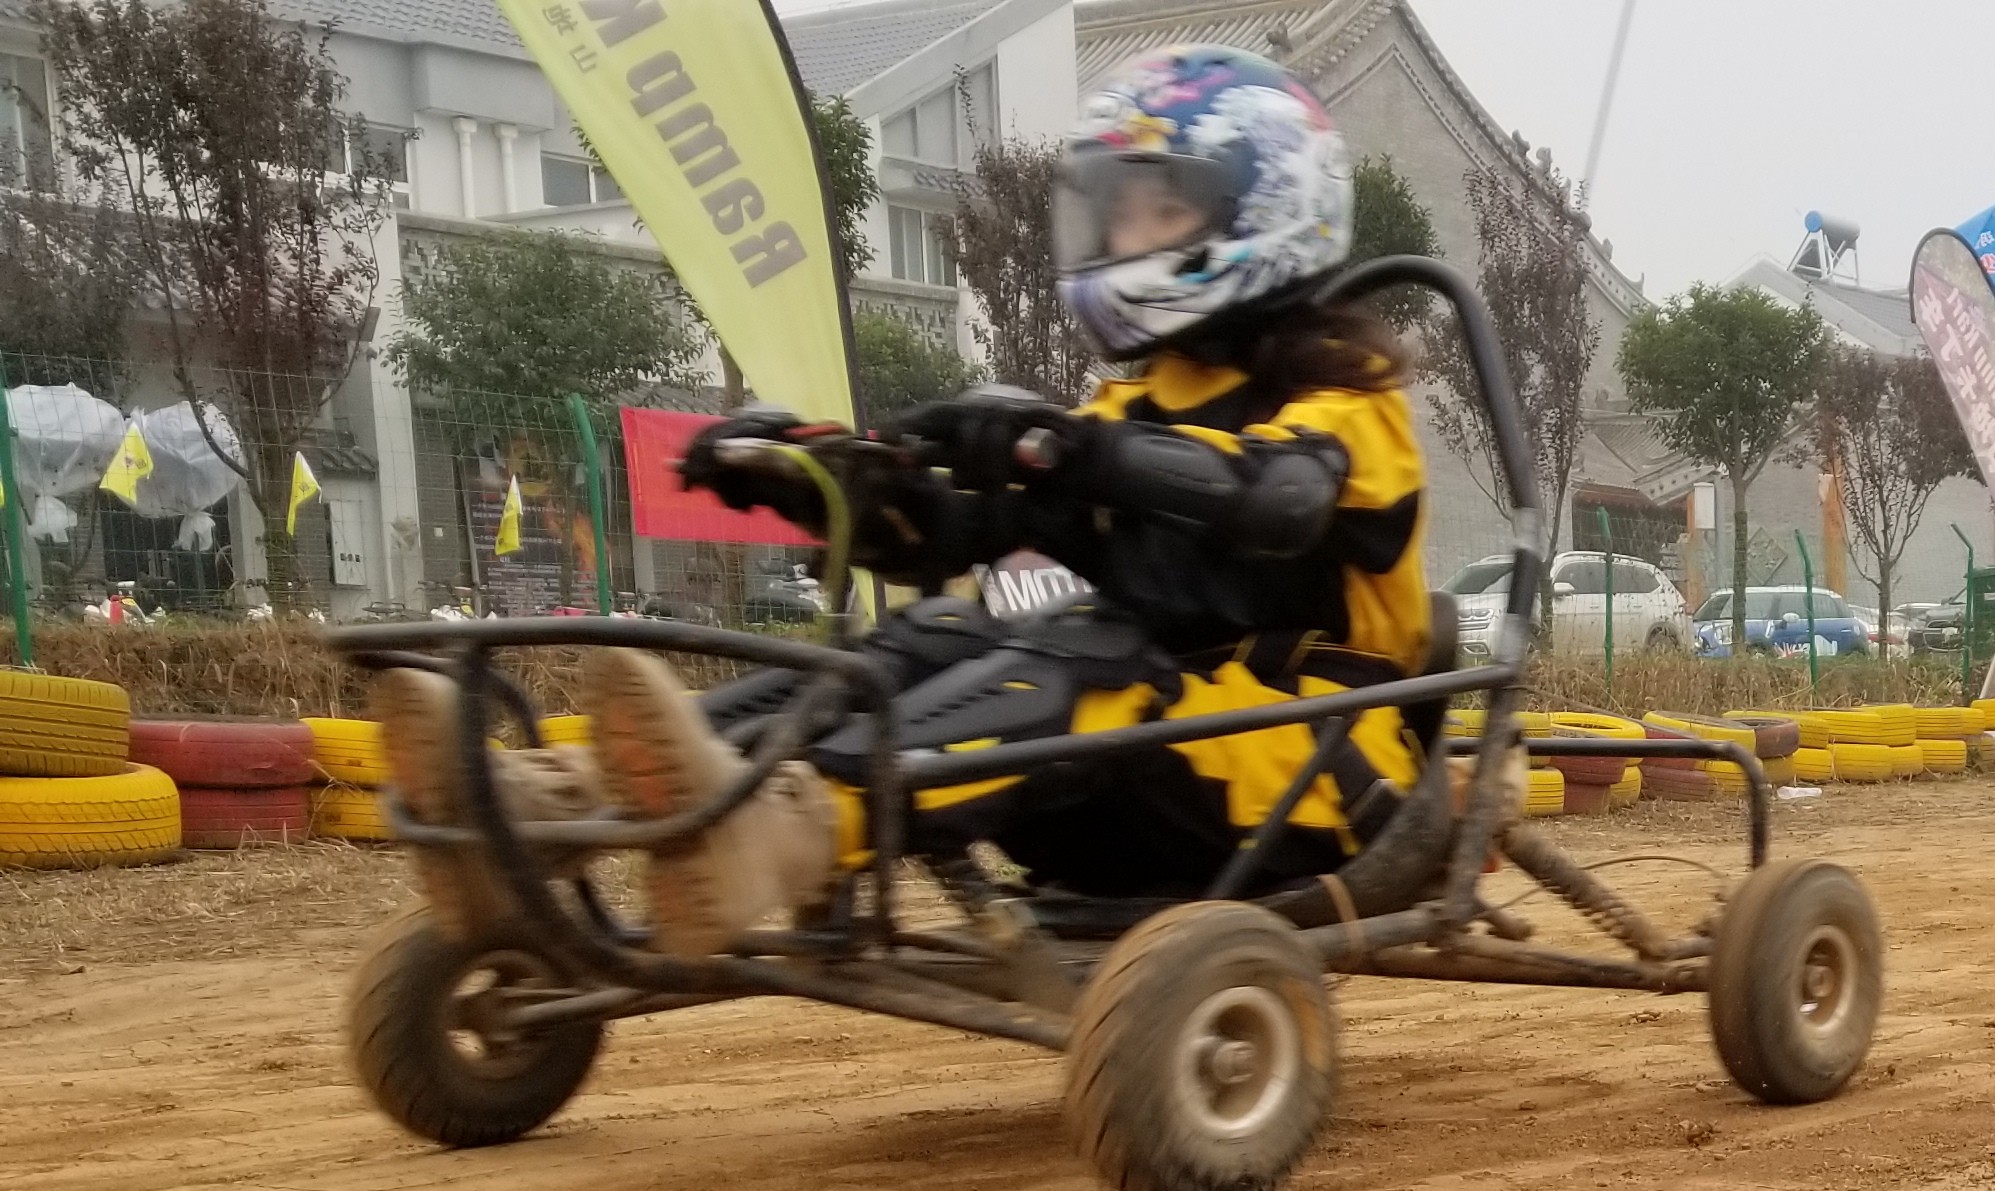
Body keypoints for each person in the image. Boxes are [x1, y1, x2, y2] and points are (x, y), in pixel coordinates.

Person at [372, 45, 1430, 957]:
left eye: (1165, 207)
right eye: (1119, 214)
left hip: (1315, 764)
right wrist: (826, 487)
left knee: (1080, 656)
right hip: (1146, 766)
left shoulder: (1344, 399)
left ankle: (790, 825)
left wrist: (1074, 454)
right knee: (928, 637)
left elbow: (1276, 500)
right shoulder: (1135, 401)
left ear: (1265, 211)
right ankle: (554, 805)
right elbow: (974, 534)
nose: (1126, 238)